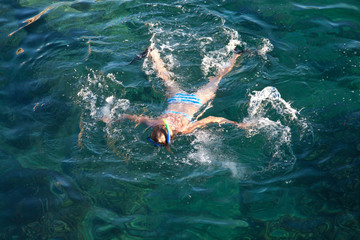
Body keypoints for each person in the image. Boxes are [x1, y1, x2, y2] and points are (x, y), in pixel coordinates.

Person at [106, 45, 249, 147]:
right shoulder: (155, 122)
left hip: (196, 101)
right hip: (176, 98)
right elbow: (133, 117)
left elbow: (211, 119)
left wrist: (236, 124)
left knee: (218, 78)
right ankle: (154, 54)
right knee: (164, 77)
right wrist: (112, 119)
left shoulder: (184, 129)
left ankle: (236, 54)